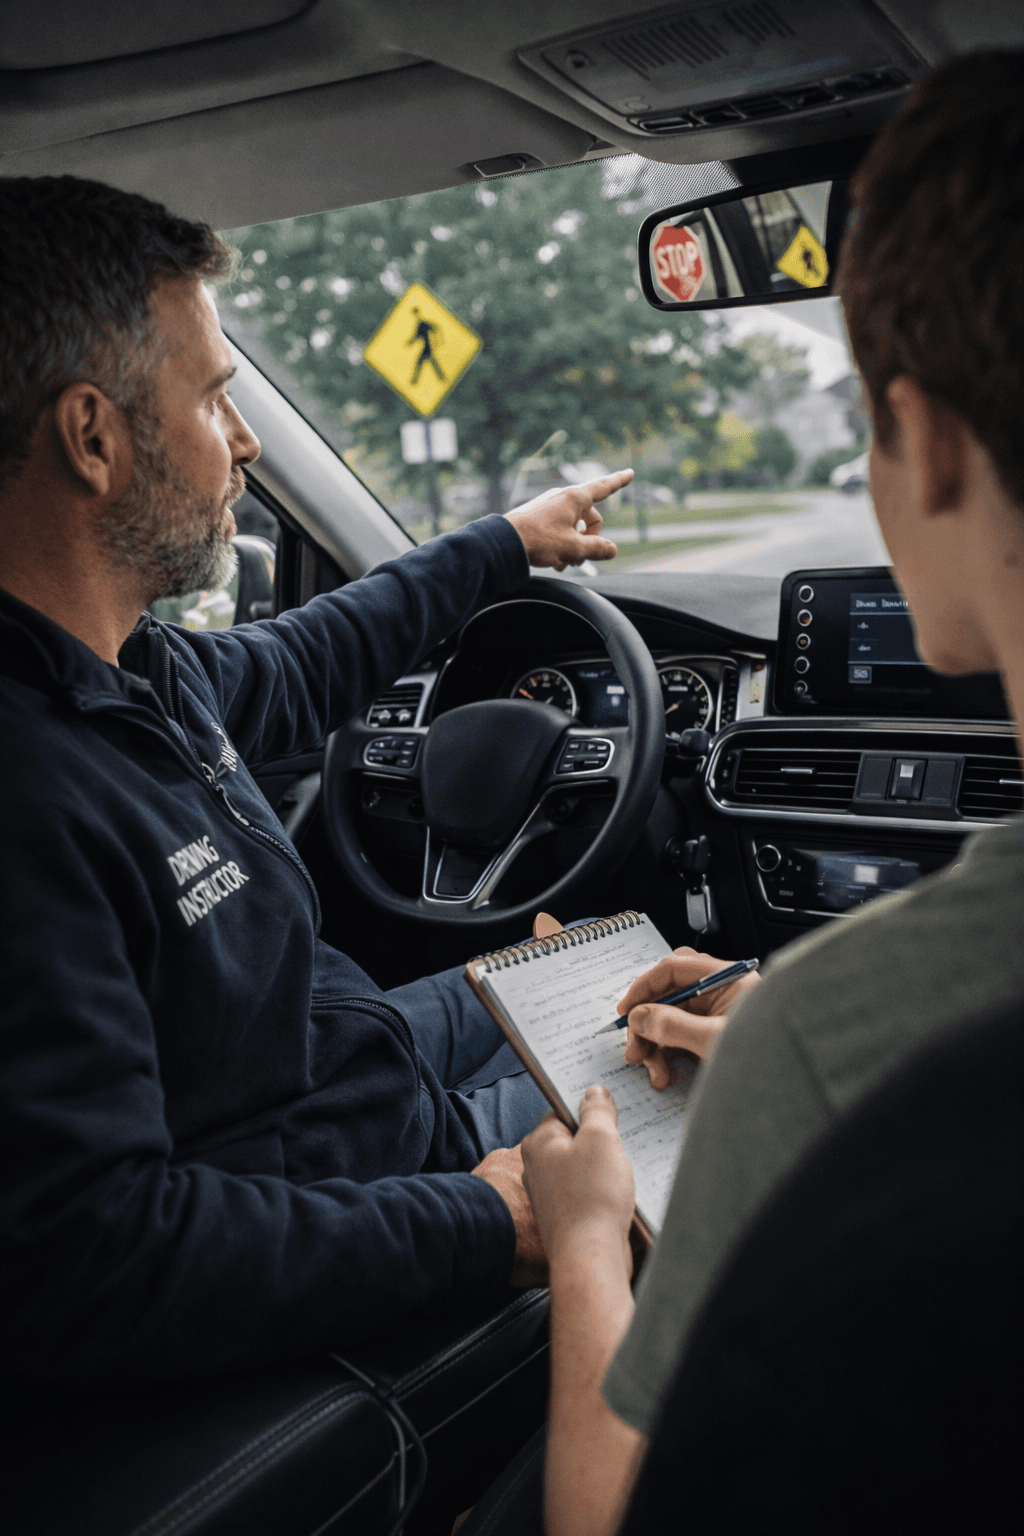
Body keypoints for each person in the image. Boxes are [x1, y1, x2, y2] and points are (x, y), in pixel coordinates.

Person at [496, 49, 1024, 1536]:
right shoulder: (822, 1049)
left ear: (918, 449)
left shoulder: (837, 1037)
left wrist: (590, 1238)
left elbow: (609, 1515)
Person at [0, 173, 629, 1383]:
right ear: (94, 439)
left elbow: (306, 658)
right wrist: (495, 1221)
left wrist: (506, 543)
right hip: (384, 1199)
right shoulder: (31, 800)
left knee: (654, 969)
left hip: (357, 1083)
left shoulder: (130, 670)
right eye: (217, 400)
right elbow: (96, 1249)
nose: (240, 444)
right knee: (765, 1118)